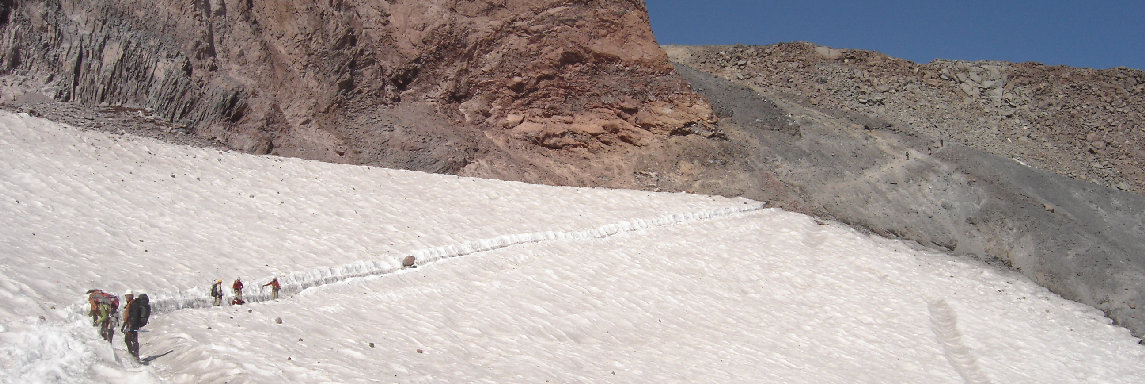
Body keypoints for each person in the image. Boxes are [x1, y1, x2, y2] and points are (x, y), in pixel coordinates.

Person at [120, 290, 139, 361]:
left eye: (127, 296)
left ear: (131, 296)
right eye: (126, 296)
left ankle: (134, 355)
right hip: (132, 324)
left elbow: (131, 316)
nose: (126, 297)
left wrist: (130, 325)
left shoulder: (133, 304)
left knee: (131, 339)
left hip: (132, 324)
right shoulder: (131, 304)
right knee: (130, 339)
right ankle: (134, 354)